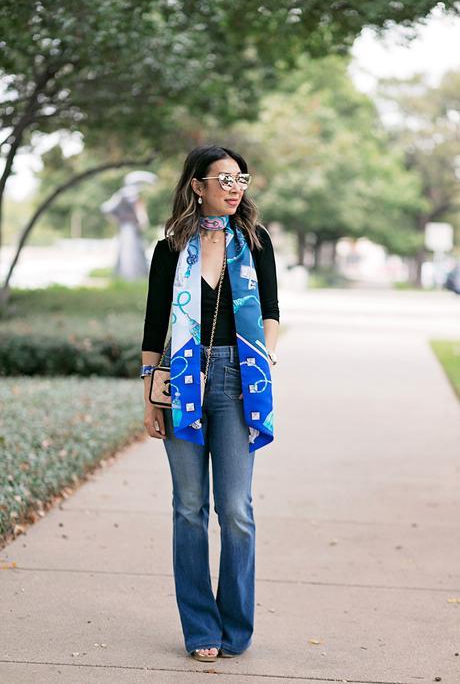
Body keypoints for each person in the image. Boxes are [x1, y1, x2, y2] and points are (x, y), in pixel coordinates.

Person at [140, 144, 280, 662]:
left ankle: (235, 627)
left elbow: (270, 308)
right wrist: (151, 394)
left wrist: (262, 362)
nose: (234, 187)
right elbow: (155, 325)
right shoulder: (171, 246)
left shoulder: (255, 241)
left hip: (239, 379)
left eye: (240, 179)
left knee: (236, 511)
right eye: (224, 178)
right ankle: (201, 627)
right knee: (188, 508)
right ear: (197, 185)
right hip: (180, 379)